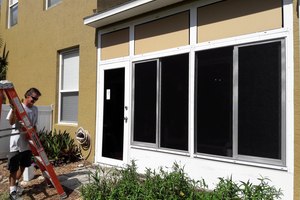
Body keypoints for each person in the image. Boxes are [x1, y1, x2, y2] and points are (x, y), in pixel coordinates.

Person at [6, 88, 41, 200]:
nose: (35, 101)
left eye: (36, 99)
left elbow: (34, 125)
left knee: (23, 165)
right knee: (13, 167)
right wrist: (14, 111)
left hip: (28, 143)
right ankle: (12, 193)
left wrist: (33, 132)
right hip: (16, 142)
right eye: (33, 98)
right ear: (27, 95)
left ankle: (16, 184)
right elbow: (11, 122)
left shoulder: (35, 109)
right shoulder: (18, 106)